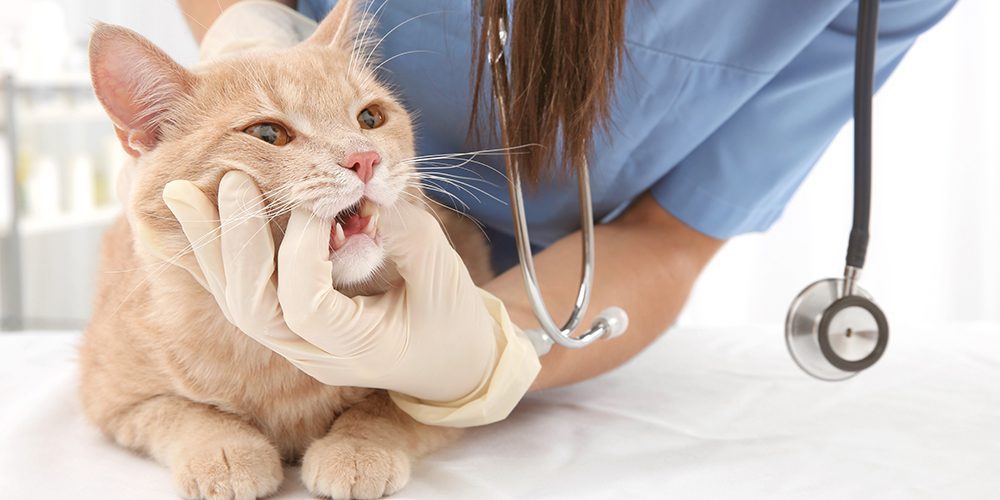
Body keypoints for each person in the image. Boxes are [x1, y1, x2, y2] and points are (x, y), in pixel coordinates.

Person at [170, 0, 955, 425]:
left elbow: (669, 239)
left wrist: (483, 354)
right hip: (288, 222)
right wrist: (247, 32)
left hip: (559, 305)